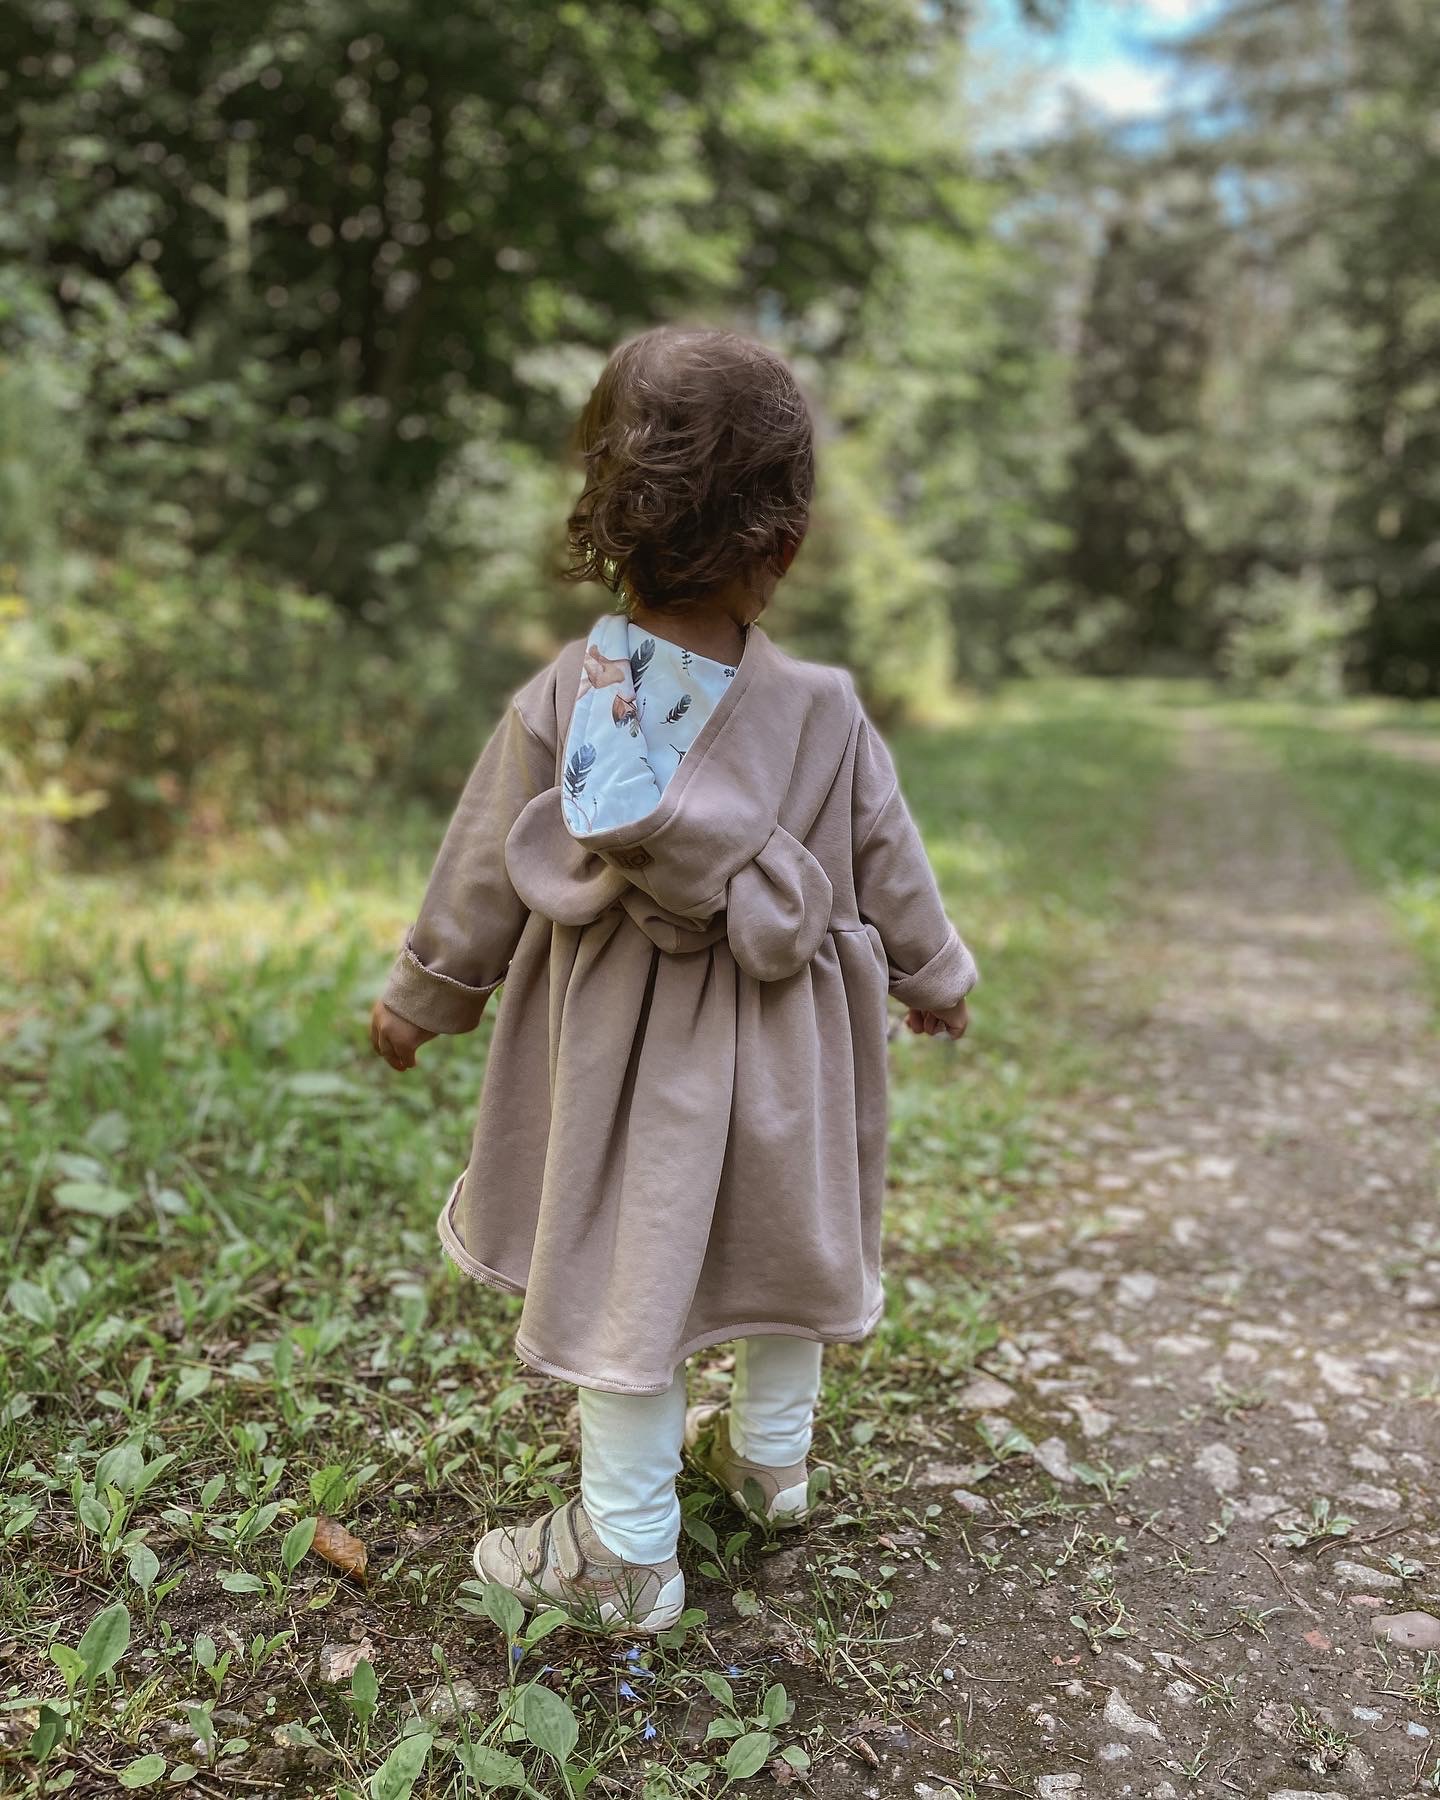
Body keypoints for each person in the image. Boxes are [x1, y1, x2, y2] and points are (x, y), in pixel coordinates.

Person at [369, 325, 976, 1632]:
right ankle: (769, 1462)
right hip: (792, 1045)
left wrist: (424, 997)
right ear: (788, 543)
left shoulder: (566, 703)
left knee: (625, 1271)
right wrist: (933, 975)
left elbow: (480, 873)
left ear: (603, 525)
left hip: (624, 1059)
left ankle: (627, 1551)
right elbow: (891, 864)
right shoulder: (825, 709)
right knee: (783, 1244)